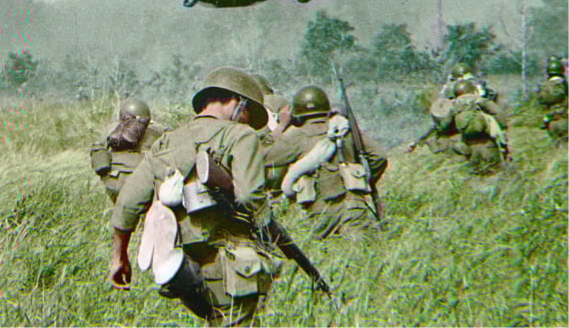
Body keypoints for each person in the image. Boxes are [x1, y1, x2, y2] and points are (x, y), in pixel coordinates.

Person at [110, 67, 278, 326]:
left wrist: (119, 257)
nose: (245, 121)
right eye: (247, 113)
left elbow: (127, 203)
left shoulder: (165, 142)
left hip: (184, 268)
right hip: (232, 263)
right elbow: (250, 198)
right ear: (237, 101)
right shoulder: (241, 135)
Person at [263, 86, 387, 239]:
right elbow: (379, 156)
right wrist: (362, 181)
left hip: (318, 213)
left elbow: (263, 156)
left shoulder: (295, 136)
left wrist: (281, 126)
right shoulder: (343, 128)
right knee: (364, 251)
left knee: (323, 256)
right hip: (353, 205)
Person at [409, 80, 509, 175]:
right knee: (496, 174)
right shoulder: (480, 100)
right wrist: (503, 130)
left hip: (470, 148)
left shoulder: (453, 106)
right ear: (472, 90)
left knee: (477, 176)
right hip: (489, 144)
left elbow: (443, 127)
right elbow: (499, 113)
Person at [90, 97, 166, 202]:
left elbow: (97, 149)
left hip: (114, 180)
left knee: (118, 211)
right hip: (142, 180)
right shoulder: (157, 130)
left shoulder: (112, 129)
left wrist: (105, 175)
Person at [537, 56, 567, 141]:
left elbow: (540, 100)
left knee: (555, 142)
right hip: (563, 117)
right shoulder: (562, 83)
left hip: (549, 118)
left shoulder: (545, 85)